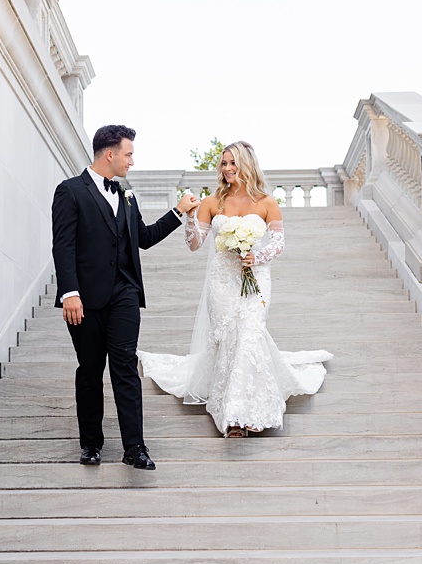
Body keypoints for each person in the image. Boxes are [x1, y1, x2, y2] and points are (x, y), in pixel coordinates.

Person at [138, 141, 331, 437]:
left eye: (233, 163)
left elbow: (279, 242)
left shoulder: (267, 201)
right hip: (222, 281)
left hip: (256, 277)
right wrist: (190, 218)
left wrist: (259, 256)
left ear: (247, 165)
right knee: (229, 339)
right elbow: (194, 244)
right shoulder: (212, 201)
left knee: (250, 335)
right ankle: (234, 416)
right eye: (224, 164)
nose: (227, 169)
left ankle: (252, 409)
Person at [52, 124, 200, 469]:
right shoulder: (70, 191)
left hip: (125, 295)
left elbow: (144, 238)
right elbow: (64, 245)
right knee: (89, 370)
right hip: (84, 299)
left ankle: (135, 447)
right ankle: (91, 444)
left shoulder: (127, 196)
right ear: (110, 154)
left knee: (125, 368)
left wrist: (178, 212)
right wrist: (69, 292)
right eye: (128, 154)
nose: (132, 161)